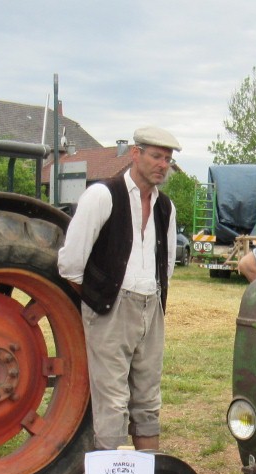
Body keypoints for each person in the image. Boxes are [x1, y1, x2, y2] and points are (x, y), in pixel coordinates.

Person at [58, 127, 180, 451]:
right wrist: (100, 301)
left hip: (151, 305)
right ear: (135, 154)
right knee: (112, 403)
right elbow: (70, 264)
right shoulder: (102, 195)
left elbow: (166, 266)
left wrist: (153, 303)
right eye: (156, 156)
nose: (162, 165)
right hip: (111, 308)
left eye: (167, 159)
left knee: (148, 402)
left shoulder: (166, 208)